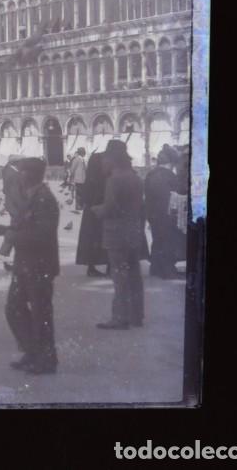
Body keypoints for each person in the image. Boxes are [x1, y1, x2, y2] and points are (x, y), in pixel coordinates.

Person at [0, 157, 59, 374]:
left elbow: (41, 236)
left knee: (41, 313)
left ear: (29, 175)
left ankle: (46, 359)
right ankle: (32, 351)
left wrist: (12, 235)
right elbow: (26, 227)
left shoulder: (44, 199)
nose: (17, 175)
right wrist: (6, 230)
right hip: (25, 264)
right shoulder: (29, 197)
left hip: (39, 265)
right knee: (14, 308)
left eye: (21, 172)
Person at [94, 140, 147, 330]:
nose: (102, 163)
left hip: (116, 234)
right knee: (134, 274)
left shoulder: (113, 179)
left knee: (119, 275)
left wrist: (97, 210)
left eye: (104, 159)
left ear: (112, 159)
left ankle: (120, 317)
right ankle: (136, 315)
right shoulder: (135, 177)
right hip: (133, 231)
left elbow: (110, 208)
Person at [145, 145, 186, 278]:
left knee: (157, 239)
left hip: (152, 213)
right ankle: (167, 271)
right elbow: (178, 194)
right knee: (168, 241)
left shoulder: (150, 174)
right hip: (167, 214)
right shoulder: (171, 176)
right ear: (171, 162)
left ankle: (155, 268)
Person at [75, 151, 111, 277]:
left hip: (90, 214)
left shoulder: (90, 178)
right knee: (103, 238)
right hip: (99, 212)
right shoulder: (103, 179)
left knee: (91, 240)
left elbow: (85, 197)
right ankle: (108, 265)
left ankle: (91, 266)